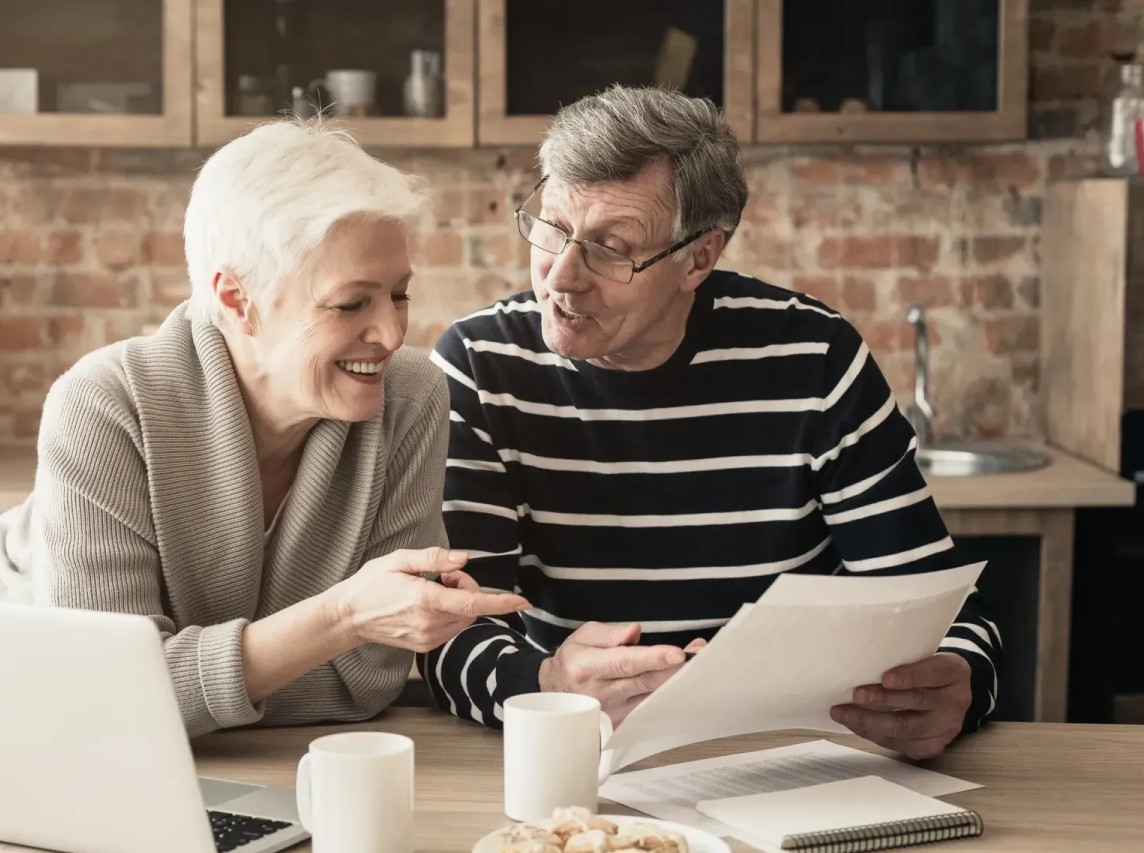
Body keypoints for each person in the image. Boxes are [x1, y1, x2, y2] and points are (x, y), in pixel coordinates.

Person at [422, 87, 999, 760]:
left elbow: (937, 606)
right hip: (580, 756)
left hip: (791, 752)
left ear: (699, 258)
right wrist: (545, 683)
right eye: (552, 227)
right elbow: (448, 630)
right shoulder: (480, 365)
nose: (562, 277)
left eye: (611, 248)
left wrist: (961, 679)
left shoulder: (813, 358)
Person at [0, 120, 528, 735]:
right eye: (350, 303)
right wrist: (340, 619)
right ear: (237, 301)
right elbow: (104, 697)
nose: (392, 334)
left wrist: (174, 682)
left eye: (399, 295)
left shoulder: (410, 397)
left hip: (177, 755)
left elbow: (365, 683)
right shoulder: (103, 404)